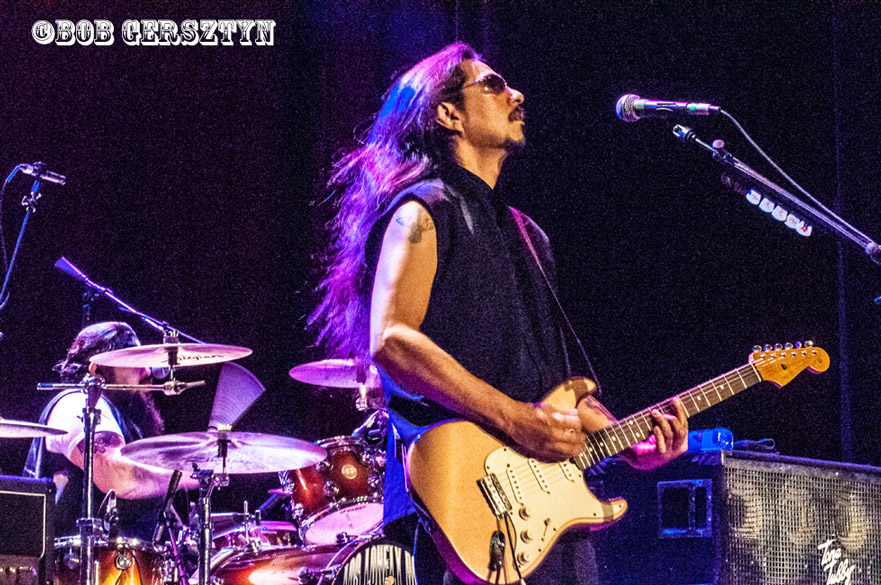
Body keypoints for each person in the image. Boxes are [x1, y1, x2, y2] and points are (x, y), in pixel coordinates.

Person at [310, 43, 689, 584]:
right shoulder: (423, 210)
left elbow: (558, 387)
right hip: (457, 505)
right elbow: (392, 338)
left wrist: (631, 444)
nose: (517, 95)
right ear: (448, 114)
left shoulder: (528, 235)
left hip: (548, 518)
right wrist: (515, 419)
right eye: (492, 85)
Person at [24, 321, 192, 540]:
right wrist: (195, 472)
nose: (147, 370)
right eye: (135, 361)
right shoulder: (77, 403)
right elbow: (120, 479)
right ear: (97, 370)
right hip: (73, 568)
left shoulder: (122, 419)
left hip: (125, 567)